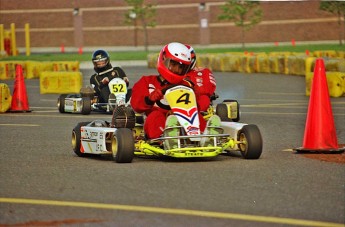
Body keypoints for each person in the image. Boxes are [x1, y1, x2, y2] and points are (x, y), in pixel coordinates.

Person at [130, 42, 220, 148]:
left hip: (183, 118)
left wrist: (193, 99)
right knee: (155, 116)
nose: (177, 70)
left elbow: (198, 105)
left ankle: (206, 137)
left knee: (196, 116)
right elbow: (136, 105)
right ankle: (166, 138)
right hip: (158, 120)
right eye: (173, 64)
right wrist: (149, 99)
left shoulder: (187, 84)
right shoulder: (147, 82)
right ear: (163, 60)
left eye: (181, 67)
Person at [185, 44, 217, 112]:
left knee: (204, 98)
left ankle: (197, 113)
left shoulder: (203, 72)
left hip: (196, 100)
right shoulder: (171, 73)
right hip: (175, 99)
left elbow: (208, 91)